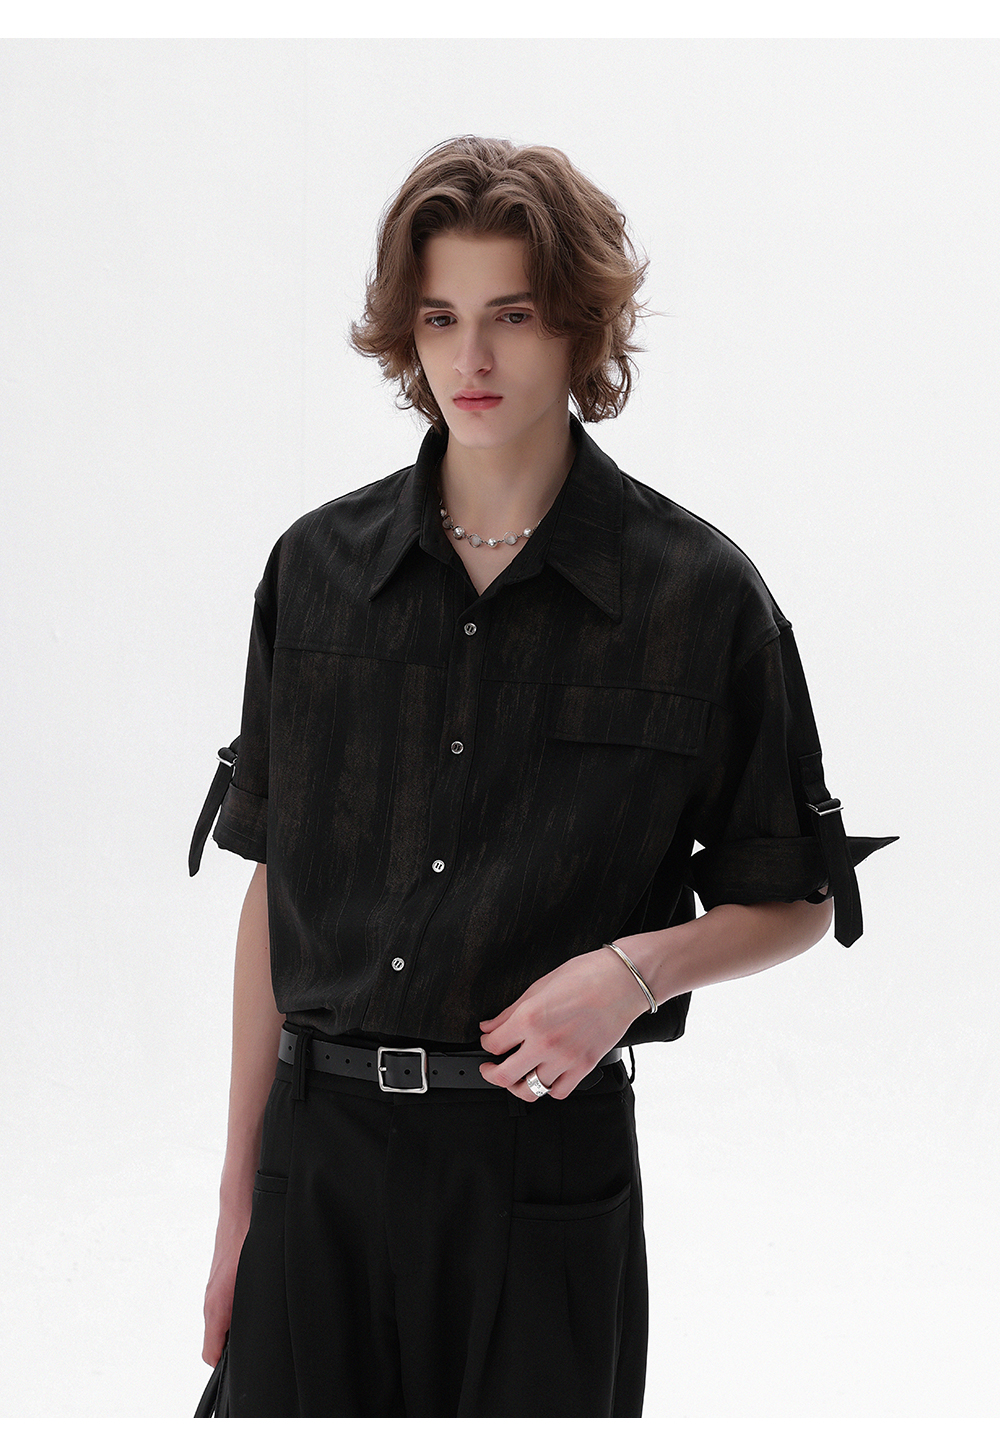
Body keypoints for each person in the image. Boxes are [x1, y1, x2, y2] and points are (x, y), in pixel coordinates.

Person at [189, 135, 895, 1418]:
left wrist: (633, 974)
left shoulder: (698, 597)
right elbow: (272, 889)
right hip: (316, 1165)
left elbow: (793, 896)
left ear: (578, 325)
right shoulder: (316, 573)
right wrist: (240, 1195)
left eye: (510, 317)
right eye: (440, 318)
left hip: (541, 1171)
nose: (471, 358)